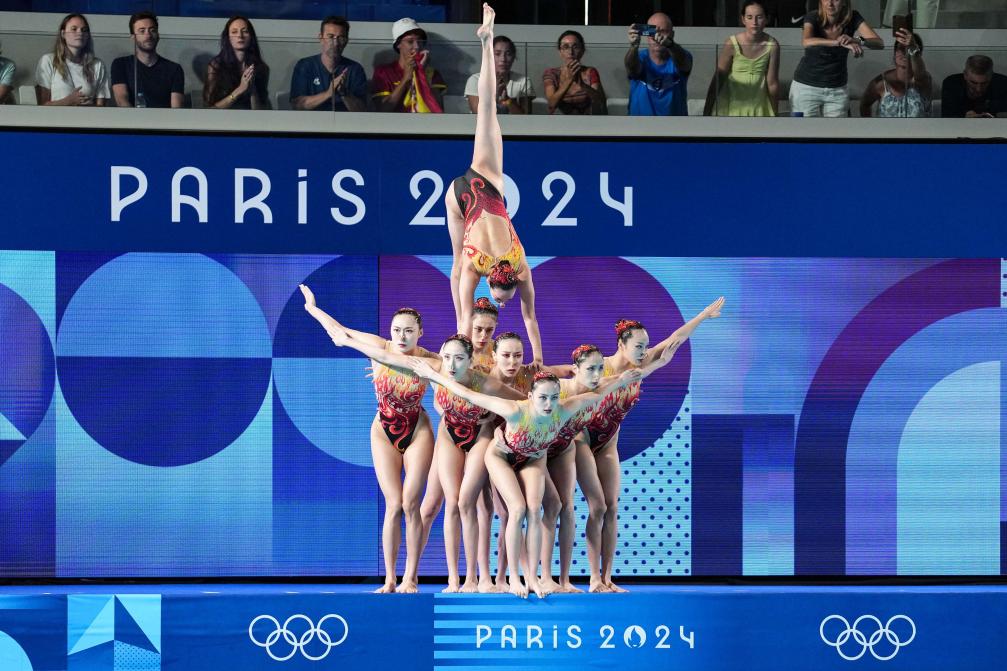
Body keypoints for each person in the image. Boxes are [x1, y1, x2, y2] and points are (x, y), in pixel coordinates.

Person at [411, 362, 641, 599]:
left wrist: (623, 379)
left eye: (554, 398)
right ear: (530, 396)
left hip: (533, 457)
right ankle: (513, 578)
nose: (548, 405)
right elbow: (468, 394)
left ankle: (532, 577)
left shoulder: (564, 409)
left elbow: (598, 392)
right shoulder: (514, 409)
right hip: (501, 457)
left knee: (534, 510)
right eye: (542, 398)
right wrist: (433, 375)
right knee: (517, 509)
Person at [579, 298, 724, 593]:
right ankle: (593, 577)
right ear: (621, 344)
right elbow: (593, 384)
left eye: (645, 346)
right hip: (582, 439)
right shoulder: (600, 366)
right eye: (638, 346)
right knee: (597, 507)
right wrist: (654, 367)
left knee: (612, 507)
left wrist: (702, 316)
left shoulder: (642, 364)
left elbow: (674, 339)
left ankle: (608, 578)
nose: (644, 351)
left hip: (608, 443)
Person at [299, 284, 438, 593]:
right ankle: (389, 578)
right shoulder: (379, 345)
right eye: (397, 330)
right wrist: (313, 309)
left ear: (420, 333)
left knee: (411, 504)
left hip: (417, 430)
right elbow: (340, 331)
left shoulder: (430, 360)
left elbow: (461, 368)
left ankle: (411, 577)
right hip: (383, 431)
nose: (402, 336)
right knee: (393, 504)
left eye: (409, 331)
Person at [447, 5, 546, 367]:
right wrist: (538, 358)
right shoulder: (494, 267)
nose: (501, 305)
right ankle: (486, 40)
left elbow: (468, 320)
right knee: (457, 267)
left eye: (499, 301)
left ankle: (487, 42)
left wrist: (538, 358)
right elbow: (527, 317)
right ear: (493, 281)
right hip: (465, 195)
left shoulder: (518, 263)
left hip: (477, 189)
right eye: (503, 300)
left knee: (487, 111)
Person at [789, 0, 883, 117]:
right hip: (806, 87)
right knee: (803, 128)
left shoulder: (853, 17)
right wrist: (838, 42)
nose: (830, 3)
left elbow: (879, 43)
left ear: (844, 2)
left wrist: (857, 39)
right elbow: (806, 41)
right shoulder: (813, 16)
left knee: (838, 128)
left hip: (837, 89)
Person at [704, 1, 779, 117]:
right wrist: (707, 110)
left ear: (767, 19)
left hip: (759, 105)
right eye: (749, 17)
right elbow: (718, 78)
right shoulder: (732, 43)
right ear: (743, 19)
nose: (754, 22)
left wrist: (775, 113)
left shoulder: (772, 45)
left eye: (759, 17)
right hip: (733, 104)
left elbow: (772, 83)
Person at [290, 15, 366, 112]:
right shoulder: (305, 65)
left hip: (344, 121)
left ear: (346, 41)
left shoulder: (355, 69)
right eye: (330, 37)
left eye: (341, 38)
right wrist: (328, 93)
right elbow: (297, 104)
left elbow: (362, 110)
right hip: (311, 121)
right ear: (321, 38)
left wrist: (344, 93)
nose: (336, 43)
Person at [372, 17, 447, 113]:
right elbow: (382, 110)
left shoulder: (432, 73)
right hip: (395, 122)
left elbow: (438, 111)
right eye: (410, 42)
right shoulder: (384, 72)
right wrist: (406, 78)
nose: (417, 46)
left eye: (419, 41)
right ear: (398, 44)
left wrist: (422, 73)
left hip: (425, 122)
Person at [111, 12, 184, 108]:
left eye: (152, 30)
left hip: (164, 118)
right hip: (131, 117)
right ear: (133, 37)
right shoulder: (121, 65)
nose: (148, 35)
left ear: (158, 35)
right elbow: (122, 100)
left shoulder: (174, 69)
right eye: (142, 31)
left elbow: (176, 109)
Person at [625, 12, 692, 116]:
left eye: (663, 31)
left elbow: (684, 63)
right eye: (652, 31)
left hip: (675, 124)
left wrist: (670, 45)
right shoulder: (640, 58)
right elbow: (632, 68)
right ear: (646, 34)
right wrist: (634, 47)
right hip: (639, 124)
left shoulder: (680, 56)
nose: (656, 36)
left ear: (672, 34)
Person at [35, 14, 110, 106]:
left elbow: (101, 108)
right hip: (57, 115)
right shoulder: (48, 60)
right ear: (63, 34)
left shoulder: (97, 65)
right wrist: (68, 101)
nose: (80, 33)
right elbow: (42, 106)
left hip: (87, 115)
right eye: (74, 29)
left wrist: (89, 107)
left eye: (84, 30)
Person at [859, 29, 930, 118]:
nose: (905, 52)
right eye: (901, 48)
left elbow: (920, 76)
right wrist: (870, 125)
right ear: (895, 53)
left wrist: (913, 48)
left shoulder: (924, 79)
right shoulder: (881, 82)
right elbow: (864, 104)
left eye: (908, 48)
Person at [204, 16, 270, 110]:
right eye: (234, 32)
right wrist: (240, 90)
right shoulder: (216, 65)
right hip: (222, 118)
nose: (240, 36)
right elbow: (209, 109)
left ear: (251, 37)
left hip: (249, 118)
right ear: (228, 37)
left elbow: (261, 112)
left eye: (245, 31)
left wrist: (252, 90)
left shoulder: (261, 68)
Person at [543, 30, 607, 115]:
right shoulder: (551, 73)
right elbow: (551, 104)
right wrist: (569, 80)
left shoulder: (590, 72)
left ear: (582, 51)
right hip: (558, 121)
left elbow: (600, 101)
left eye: (575, 47)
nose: (571, 52)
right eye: (565, 47)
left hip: (586, 121)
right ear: (560, 52)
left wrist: (582, 84)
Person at [465, 35, 533, 115]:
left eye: (508, 54)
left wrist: (507, 100)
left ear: (513, 57)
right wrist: (495, 93)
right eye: (497, 54)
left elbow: (526, 116)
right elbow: (478, 114)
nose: (503, 59)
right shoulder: (475, 80)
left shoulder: (523, 81)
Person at [941, 55, 1007, 118]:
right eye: (973, 82)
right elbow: (946, 116)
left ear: (991, 76)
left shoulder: (1003, 83)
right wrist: (963, 117)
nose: (979, 89)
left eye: (984, 83)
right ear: (965, 75)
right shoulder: (952, 84)